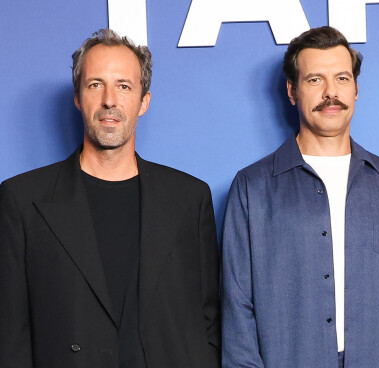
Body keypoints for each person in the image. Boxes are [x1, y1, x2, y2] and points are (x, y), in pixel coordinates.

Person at [0, 29, 220, 368]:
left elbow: (208, 318)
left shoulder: (190, 198)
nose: (109, 100)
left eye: (124, 86)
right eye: (95, 84)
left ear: (144, 101)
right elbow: (10, 334)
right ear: (77, 97)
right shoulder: (22, 200)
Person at [221, 26, 379, 368]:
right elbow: (237, 304)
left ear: (357, 88)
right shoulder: (252, 187)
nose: (331, 92)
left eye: (342, 79)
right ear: (292, 91)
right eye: (315, 80)